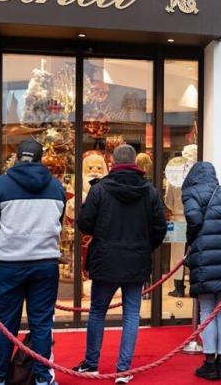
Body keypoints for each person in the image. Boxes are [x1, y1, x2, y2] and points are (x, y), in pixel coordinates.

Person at [74, 144, 167, 384]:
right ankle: (123, 369)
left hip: (105, 259)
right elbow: (159, 227)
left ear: (112, 163)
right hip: (136, 259)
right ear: (135, 162)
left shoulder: (100, 189)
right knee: (131, 314)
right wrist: (146, 246)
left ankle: (91, 363)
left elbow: (84, 223)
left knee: (97, 311)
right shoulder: (149, 191)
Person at [0, 140, 66, 385]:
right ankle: (42, 378)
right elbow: (58, 224)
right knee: (42, 324)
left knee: (5, 324)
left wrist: (4, 248)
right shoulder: (56, 187)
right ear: (41, 159)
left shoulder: (0, 185)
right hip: (45, 263)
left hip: (10, 263)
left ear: (17, 157)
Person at [182, 162, 221, 381]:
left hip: (204, 257)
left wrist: (193, 238)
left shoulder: (191, 193)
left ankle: (209, 361)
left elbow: (193, 218)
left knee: (207, 310)